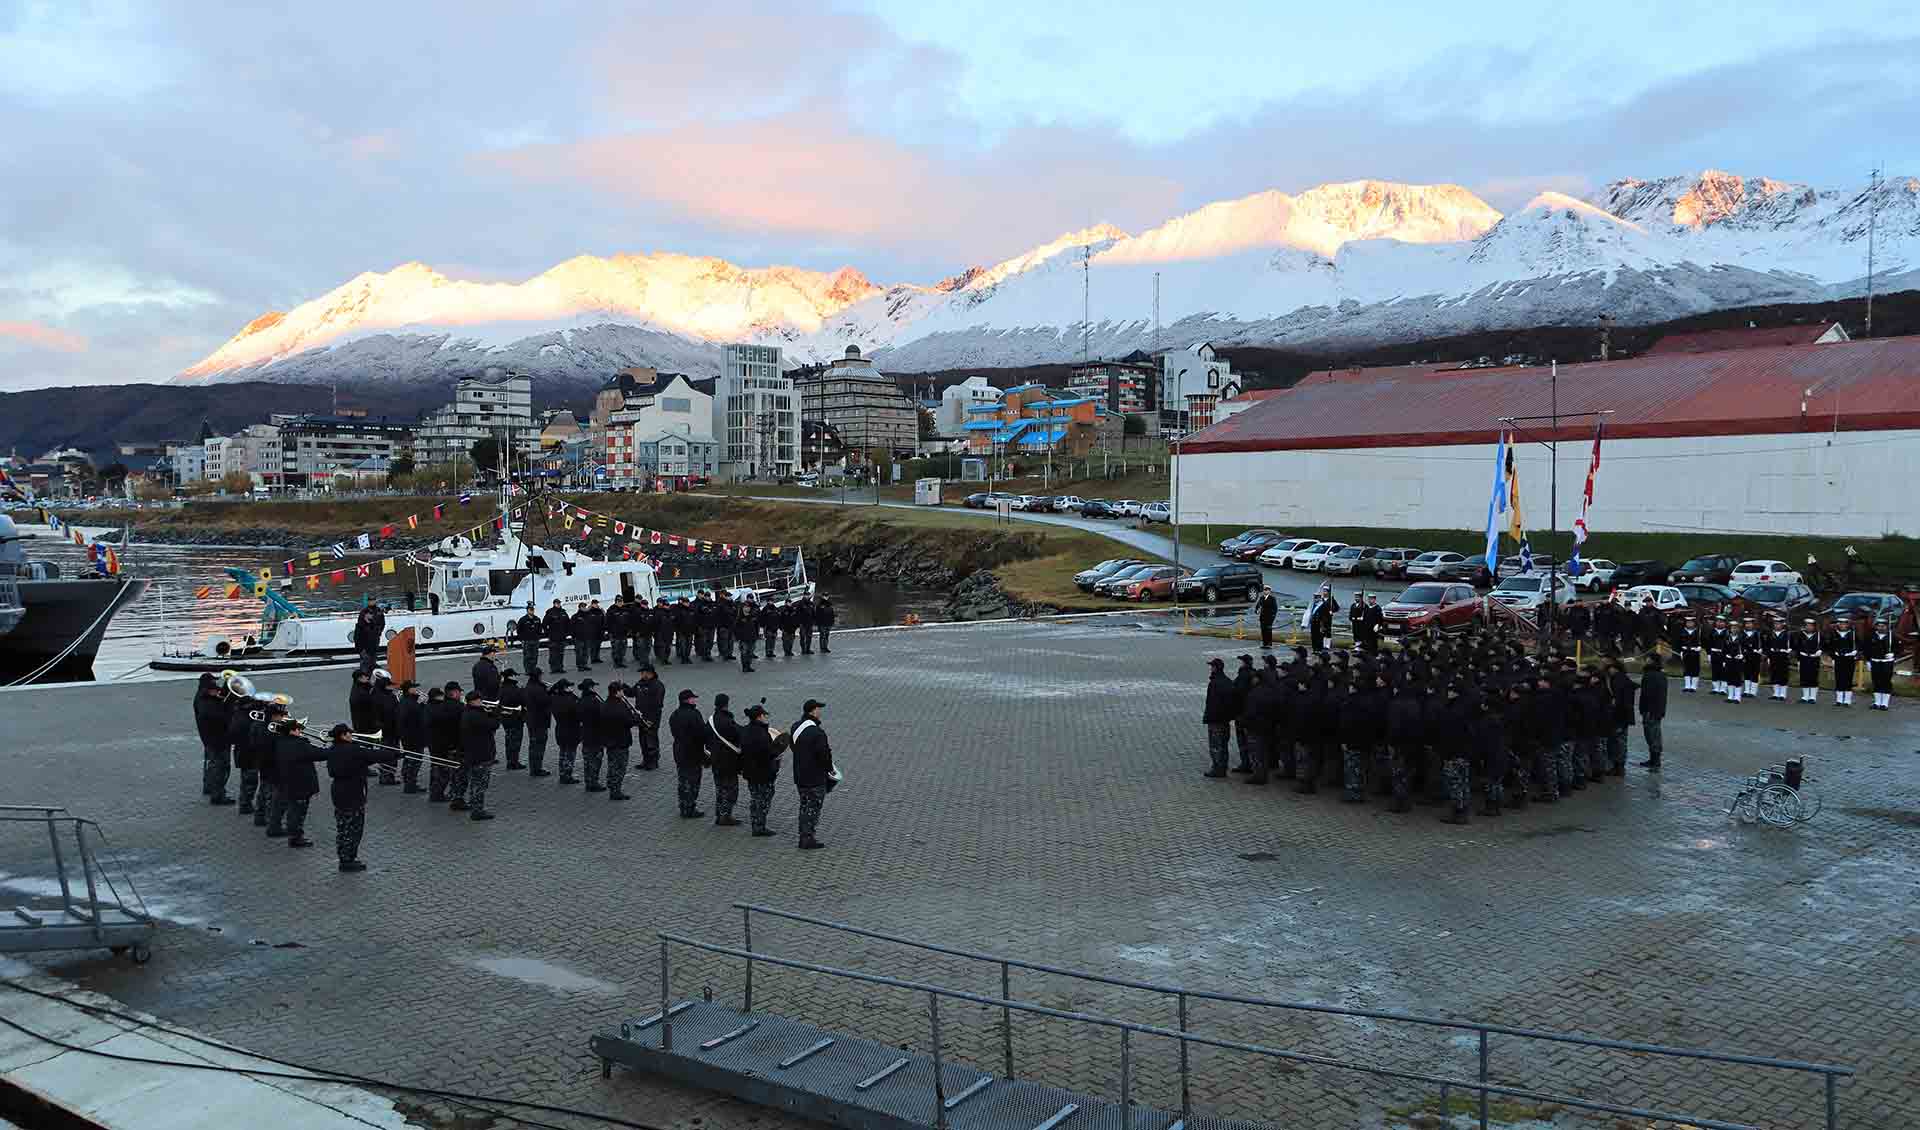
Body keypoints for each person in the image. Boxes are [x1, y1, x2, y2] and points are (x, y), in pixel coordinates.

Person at [325, 723, 394, 872]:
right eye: (349, 733)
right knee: (354, 829)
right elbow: (375, 756)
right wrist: (395, 754)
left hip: (338, 792)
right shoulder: (354, 750)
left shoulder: (332, 750)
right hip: (353, 793)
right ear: (343, 736)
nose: (352, 735)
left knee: (343, 827)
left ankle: (345, 857)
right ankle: (348, 860)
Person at [273, 716, 329, 848]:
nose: (300, 731)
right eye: (298, 729)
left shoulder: (280, 742)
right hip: (300, 783)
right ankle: (295, 837)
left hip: (287, 781)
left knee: (293, 809)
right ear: (291, 731)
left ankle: (293, 834)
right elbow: (319, 754)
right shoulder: (299, 745)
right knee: (297, 812)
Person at [790, 699, 834, 850]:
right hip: (814, 777)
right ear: (814, 711)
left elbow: (792, 746)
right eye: (818, 709)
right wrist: (829, 769)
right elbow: (824, 755)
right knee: (813, 808)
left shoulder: (796, 727)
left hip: (799, 774)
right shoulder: (817, 732)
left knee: (804, 806)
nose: (820, 712)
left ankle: (804, 835)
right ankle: (807, 838)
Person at [740, 703, 789, 836]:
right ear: (759, 716)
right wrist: (778, 750)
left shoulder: (745, 730)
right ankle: (759, 827)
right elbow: (767, 754)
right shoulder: (761, 733)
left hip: (750, 771)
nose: (765, 717)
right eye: (764, 715)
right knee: (763, 800)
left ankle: (755, 824)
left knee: (755, 797)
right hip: (763, 773)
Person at [194, 675, 236, 804]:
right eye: (214, 688)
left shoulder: (202, 698)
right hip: (218, 739)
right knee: (221, 767)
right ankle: (218, 795)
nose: (217, 690)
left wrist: (227, 686)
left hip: (209, 738)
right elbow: (223, 717)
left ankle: (209, 787)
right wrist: (230, 703)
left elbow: (220, 699)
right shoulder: (208, 704)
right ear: (208, 689)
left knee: (211, 764)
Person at [669, 688, 709, 818]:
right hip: (693, 753)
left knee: (683, 781)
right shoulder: (694, 714)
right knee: (693, 782)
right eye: (692, 698)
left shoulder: (674, 715)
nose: (694, 700)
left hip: (679, 752)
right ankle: (690, 808)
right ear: (687, 700)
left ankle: (683, 806)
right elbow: (702, 733)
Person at [459, 692, 500, 820]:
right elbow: (493, 725)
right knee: (480, 784)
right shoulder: (475, 715)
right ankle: (477, 811)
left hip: (474, 753)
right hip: (481, 754)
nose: (481, 702)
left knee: (476, 782)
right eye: (479, 700)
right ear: (473, 701)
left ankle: (475, 807)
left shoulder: (469, 713)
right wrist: (495, 714)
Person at [707, 692, 744, 825]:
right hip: (728, 762)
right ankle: (725, 816)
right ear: (726, 705)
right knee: (730, 790)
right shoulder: (727, 721)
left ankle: (720, 814)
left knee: (720, 788)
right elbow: (739, 734)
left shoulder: (711, 720)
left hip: (716, 760)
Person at [600, 682, 639, 800]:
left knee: (612, 764)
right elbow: (628, 721)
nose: (623, 692)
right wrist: (636, 716)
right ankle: (615, 791)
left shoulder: (605, 704)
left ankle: (611, 785)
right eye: (621, 690)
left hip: (609, 739)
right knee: (619, 767)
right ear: (617, 692)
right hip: (621, 740)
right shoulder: (620, 706)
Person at [429, 683, 463, 804]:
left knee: (439, 770)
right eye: (459, 692)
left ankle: (435, 793)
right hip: (453, 745)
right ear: (453, 693)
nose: (460, 694)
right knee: (455, 772)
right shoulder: (459, 707)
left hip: (438, 744)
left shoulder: (438, 706)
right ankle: (455, 797)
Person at [1201, 657, 1235, 778]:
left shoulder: (1215, 683)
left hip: (1215, 719)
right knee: (1223, 744)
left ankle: (1218, 769)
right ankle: (1222, 766)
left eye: (1212, 666)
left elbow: (1212, 703)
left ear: (1215, 668)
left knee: (1215, 745)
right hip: (1225, 719)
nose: (1210, 668)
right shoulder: (1228, 681)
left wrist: (1208, 717)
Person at [396, 680, 429, 793]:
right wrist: (423, 705)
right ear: (409, 690)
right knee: (415, 761)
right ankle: (410, 784)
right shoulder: (409, 703)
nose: (417, 690)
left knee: (410, 759)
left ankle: (408, 781)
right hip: (414, 737)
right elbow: (418, 718)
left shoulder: (406, 701)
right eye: (414, 688)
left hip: (409, 737)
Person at [1636, 654, 1668, 770]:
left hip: (1651, 710)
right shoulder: (1659, 674)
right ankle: (1653, 759)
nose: (1646, 660)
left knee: (1652, 735)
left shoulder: (1651, 675)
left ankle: (1655, 761)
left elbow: (1648, 694)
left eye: (1648, 659)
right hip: (1655, 709)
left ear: (1652, 661)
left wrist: (1645, 709)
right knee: (1652, 734)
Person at [632, 663, 665, 769]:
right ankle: (646, 760)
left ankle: (653, 761)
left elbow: (658, 704)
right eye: (641, 673)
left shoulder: (657, 685)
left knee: (651, 739)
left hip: (651, 718)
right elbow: (632, 692)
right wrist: (623, 687)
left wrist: (651, 719)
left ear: (650, 673)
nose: (642, 674)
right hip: (641, 717)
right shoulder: (640, 683)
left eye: (643, 672)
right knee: (643, 739)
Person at [371, 669, 401, 786]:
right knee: (390, 754)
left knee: (387, 754)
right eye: (389, 686)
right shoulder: (386, 698)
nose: (392, 687)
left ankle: (386, 775)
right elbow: (392, 713)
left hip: (386, 730)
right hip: (389, 731)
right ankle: (387, 777)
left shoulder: (377, 694)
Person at [1606, 660, 1636, 775]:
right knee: (1621, 741)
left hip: (1618, 715)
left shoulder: (1617, 680)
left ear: (1615, 668)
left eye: (1610, 668)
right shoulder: (1625, 679)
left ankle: (1617, 766)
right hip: (1625, 715)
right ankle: (1620, 766)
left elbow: (1618, 700)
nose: (1609, 670)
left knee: (1616, 741)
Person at [523, 669, 553, 777]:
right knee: (539, 746)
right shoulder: (538, 689)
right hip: (539, 721)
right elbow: (546, 701)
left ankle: (534, 768)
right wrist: (549, 691)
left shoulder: (529, 686)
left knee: (534, 745)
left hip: (532, 719)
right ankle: (537, 769)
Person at [577, 679, 606, 791]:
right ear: (590, 688)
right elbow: (603, 715)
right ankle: (593, 783)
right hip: (596, 734)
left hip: (585, 733)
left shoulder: (580, 701)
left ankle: (588, 781)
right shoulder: (595, 701)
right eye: (593, 687)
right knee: (595, 760)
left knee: (587, 760)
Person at [551, 678, 581, 783]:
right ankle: (567, 776)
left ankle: (562, 774)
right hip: (571, 730)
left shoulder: (555, 698)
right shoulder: (570, 700)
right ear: (565, 688)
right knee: (570, 755)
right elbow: (578, 713)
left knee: (563, 753)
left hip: (560, 729)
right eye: (569, 686)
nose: (571, 688)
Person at [1230, 654, 1256, 773]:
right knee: (1251, 740)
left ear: (1244, 663)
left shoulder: (1243, 675)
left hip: (1242, 712)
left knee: (1243, 740)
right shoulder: (1254, 674)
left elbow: (1237, 692)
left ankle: (1246, 764)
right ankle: (1252, 763)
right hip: (1251, 712)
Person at [498, 669, 527, 770]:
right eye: (515, 675)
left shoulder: (502, 687)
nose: (516, 677)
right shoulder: (514, 689)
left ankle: (511, 761)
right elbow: (522, 700)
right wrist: (523, 691)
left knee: (509, 740)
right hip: (515, 718)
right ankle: (513, 762)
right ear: (510, 676)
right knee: (515, 742)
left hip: (506, 718)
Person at [1829, 621, 1860, 707]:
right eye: (1841, 624)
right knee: (1839, 678)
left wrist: (1856, 652)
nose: (1843, 626)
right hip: (1838, 658)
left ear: (1847, 625)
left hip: (1849, 658)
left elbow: (1859, 645)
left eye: (1844, 624)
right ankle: (1839, 700)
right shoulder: (1834, 634)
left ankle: (1847, 700)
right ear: (1838, 625)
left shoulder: (1853, 634)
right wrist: (1833, 656)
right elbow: (1830, 646)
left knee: (1848, 678)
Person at [1795, 617, 1824, 705]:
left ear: (1814, 626)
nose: (1809, 627)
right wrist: (1798, 659)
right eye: (1807, 625)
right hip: (1804, 658)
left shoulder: (1819, 635)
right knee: (1804, 677)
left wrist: (1821, 650)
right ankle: (1805, 697)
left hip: (1814, 658)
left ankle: (1812, 697)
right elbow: (1797, 647)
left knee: (1813, 677)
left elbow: (1824, 645)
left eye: (1811, 626)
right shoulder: (1800, 634)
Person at [1868, 624, 1898, 710]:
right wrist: (1868, 660)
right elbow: (1867, 648)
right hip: (1875, 661)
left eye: (1883, 626)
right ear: (1876, 626)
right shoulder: (1871, 636)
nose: (1881, 628)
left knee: (1886, 682)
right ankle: (1877, 702)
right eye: (1879, 626)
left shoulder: (1892, 636)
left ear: (1887, 626)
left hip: (1887, 662)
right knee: (1876, 681)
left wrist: (1893, 653)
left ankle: (1884, 703)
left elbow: (1899, 648)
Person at [1764, 615, 1793, 701]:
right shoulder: (1770, 634)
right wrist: (1768, 655)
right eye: (1775, 624)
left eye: (1779, 624)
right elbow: (1767, 645)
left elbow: (1793, 645)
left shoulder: (1787, 634)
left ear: (1782, 624)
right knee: (1774, 674)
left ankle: (1783, 694)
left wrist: (1789, 651)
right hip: (1773, 656)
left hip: (1783, 656)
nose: (1777, 625)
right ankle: (1776, 693)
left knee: (1783, 674)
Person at [1672, 614, 1702, 693]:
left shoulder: (1698, 631)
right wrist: (1680, 651)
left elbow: (1702, 640)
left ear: (1694, 623)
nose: (1689, 624)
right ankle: (1687, 685)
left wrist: (1699, 647)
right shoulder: (1682, 631)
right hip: (1685, 652)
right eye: (1688, 622)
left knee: (1695, 669)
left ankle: (1694, 686)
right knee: (1686, 668)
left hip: (1695, 652)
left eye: (1691, 622)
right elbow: (1678, 642)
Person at [352, 604, 384, 675]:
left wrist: (376, 645)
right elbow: (357, 638)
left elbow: (376, 635)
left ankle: (370, 678)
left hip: (373, 649)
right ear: (366, 615)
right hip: (364, 649)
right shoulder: (360, 625)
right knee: (365, 666)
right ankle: (364, 678)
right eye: (370, 614)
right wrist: (360, 650)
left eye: (372, 614)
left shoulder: (373, 624)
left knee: (372, 665)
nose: (372, 615)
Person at [543, 600, 572, 674]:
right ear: (554, 604)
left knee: (561, 654)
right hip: (553, 637)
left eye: (559, 603)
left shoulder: (563, 612)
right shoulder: (550, 612)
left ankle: (560, 668)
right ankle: (554, 669)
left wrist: (567, 633)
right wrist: (548, 633)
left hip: (562, 637)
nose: (558, 604)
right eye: (557, 603)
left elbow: (568, 623)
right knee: (553, 654)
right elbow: (544, 624)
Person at [1739, 618, 1763, 701]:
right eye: (1746, 623)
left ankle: (1753, 692)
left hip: (1755, 656)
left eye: (1750, 623)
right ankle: (1746, 690)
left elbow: (1761, 644)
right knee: (1746, 673)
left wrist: (1760, 650)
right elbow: (1740, 644)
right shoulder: (1742, 633)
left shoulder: (1757, 633)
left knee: (1755, 673)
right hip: (1745, 656)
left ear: (1753, 624)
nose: (1748, 625)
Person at [515, 603, 542, 675]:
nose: (532, 611)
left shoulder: (537, 619)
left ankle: (533, 669)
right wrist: (522, 639)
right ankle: (528, 671)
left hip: (535, 640)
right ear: (527, 610)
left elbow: (540, 629)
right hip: (526, 641)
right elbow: (518, 630)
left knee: (535, 656)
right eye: (530, 610)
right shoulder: (523, 620)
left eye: (533, 610)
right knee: (527, 656)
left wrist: (538, 637)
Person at [607, 595, 630, 669]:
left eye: (621, 601)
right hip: (615, 634)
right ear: (615, 601)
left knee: (623, 648)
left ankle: (621, 661)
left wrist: (628, 630)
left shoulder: (625, 609)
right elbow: (608, 622)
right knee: (616, 649)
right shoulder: (611, 610)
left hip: (623, 633)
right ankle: (616, 663)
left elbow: (628, 620)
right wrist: (610, 632)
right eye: (618, 601)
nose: (620, 603)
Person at [737, 599, 759, 673]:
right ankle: (744, 667)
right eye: (745, 607)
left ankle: (748, 666)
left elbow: (756, 626)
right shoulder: (740, 618)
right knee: (744, 653)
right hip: (743, 638)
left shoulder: (752, 617)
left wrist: (756, 635)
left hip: (752, 637)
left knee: (750, 652)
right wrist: (739, 637)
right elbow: (736, 628)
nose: (747, 608)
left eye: (748, 607)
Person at [716, 591, 736, 661]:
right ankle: (725, 654)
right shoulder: (721, 604)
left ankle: (729, 654)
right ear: (725, 596)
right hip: (724, 625)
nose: (730, 597)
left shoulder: (732, 603)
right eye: (729, 596)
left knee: (731, 641)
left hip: (731, 625)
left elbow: (735, 611)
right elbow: (726, 612)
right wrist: (732, 610)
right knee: (724, 641)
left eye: (730, 596)